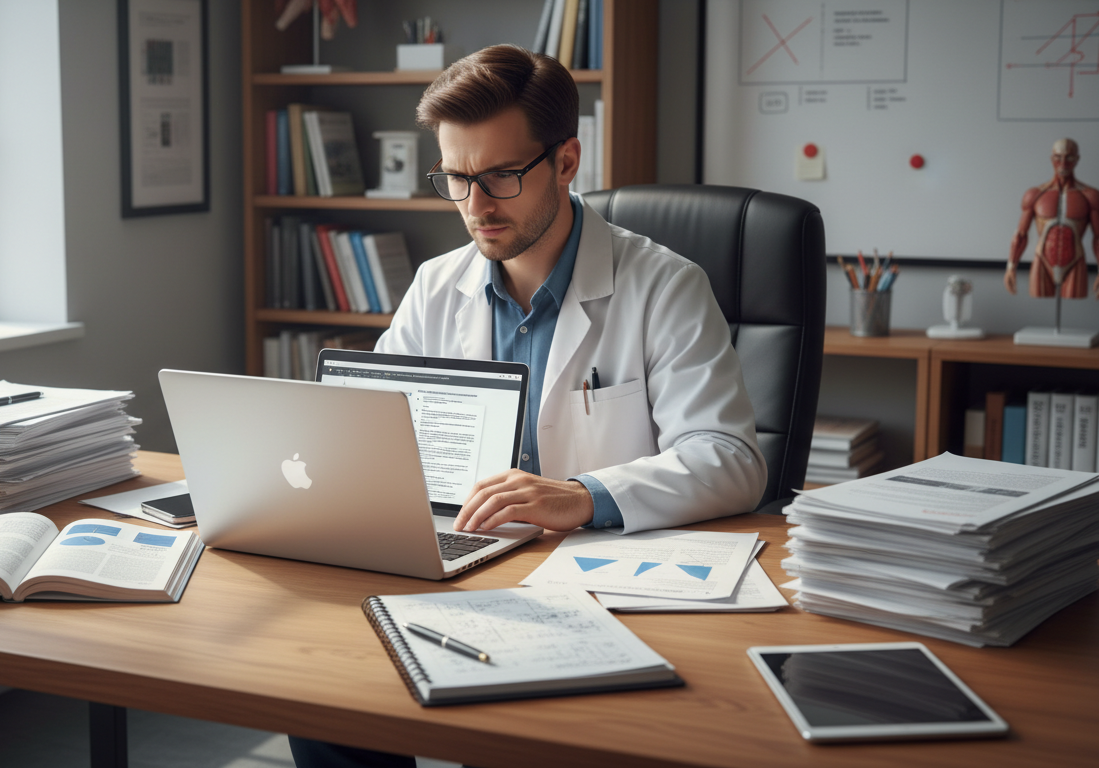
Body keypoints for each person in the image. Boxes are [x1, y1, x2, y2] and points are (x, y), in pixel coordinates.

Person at [290, 44, 766, 768]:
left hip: (599, 587)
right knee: (325, 701)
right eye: (457, 178)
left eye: (501, 177)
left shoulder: (665, 285)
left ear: (566, 161)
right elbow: (368, 428)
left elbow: (730, 459)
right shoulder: (436, 285)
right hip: (463, 564)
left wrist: (581, 495)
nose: (476, 206)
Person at [1006, 138, 1099, 300]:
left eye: (1069, 157)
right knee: (1041, 303)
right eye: (1058, 157)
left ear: (1077, 159)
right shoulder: (1035, 195)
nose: (1063, 163)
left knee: (1073, 303)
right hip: (1042, 261)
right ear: (1051, 158)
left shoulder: (1090, 196)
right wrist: (1011, 267)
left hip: (1075, 261)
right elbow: (1020, 234)